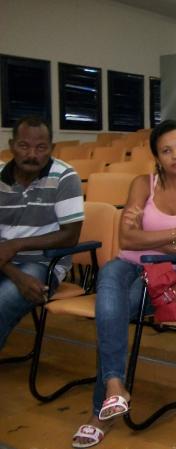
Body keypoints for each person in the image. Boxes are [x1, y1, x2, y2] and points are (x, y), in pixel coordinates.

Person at [72, 120, 176, 448]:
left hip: (171, 278)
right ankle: (113, 388)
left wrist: (147, 240)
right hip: (127, 267)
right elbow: (126, 238)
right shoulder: (143, 184)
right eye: (166, 150)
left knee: (113, 310)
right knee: (111, 272)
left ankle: (103, 407)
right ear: (156, 156)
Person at [0, 116, 83, 351]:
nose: (32, 154)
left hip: (44, 262)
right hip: (4, 261)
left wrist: (15, 245)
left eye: (41, 147)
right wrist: (14, 272)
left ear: (52, 149)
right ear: (11, 145)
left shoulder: (65, 177)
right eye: (24, 146)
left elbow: (70, 236)